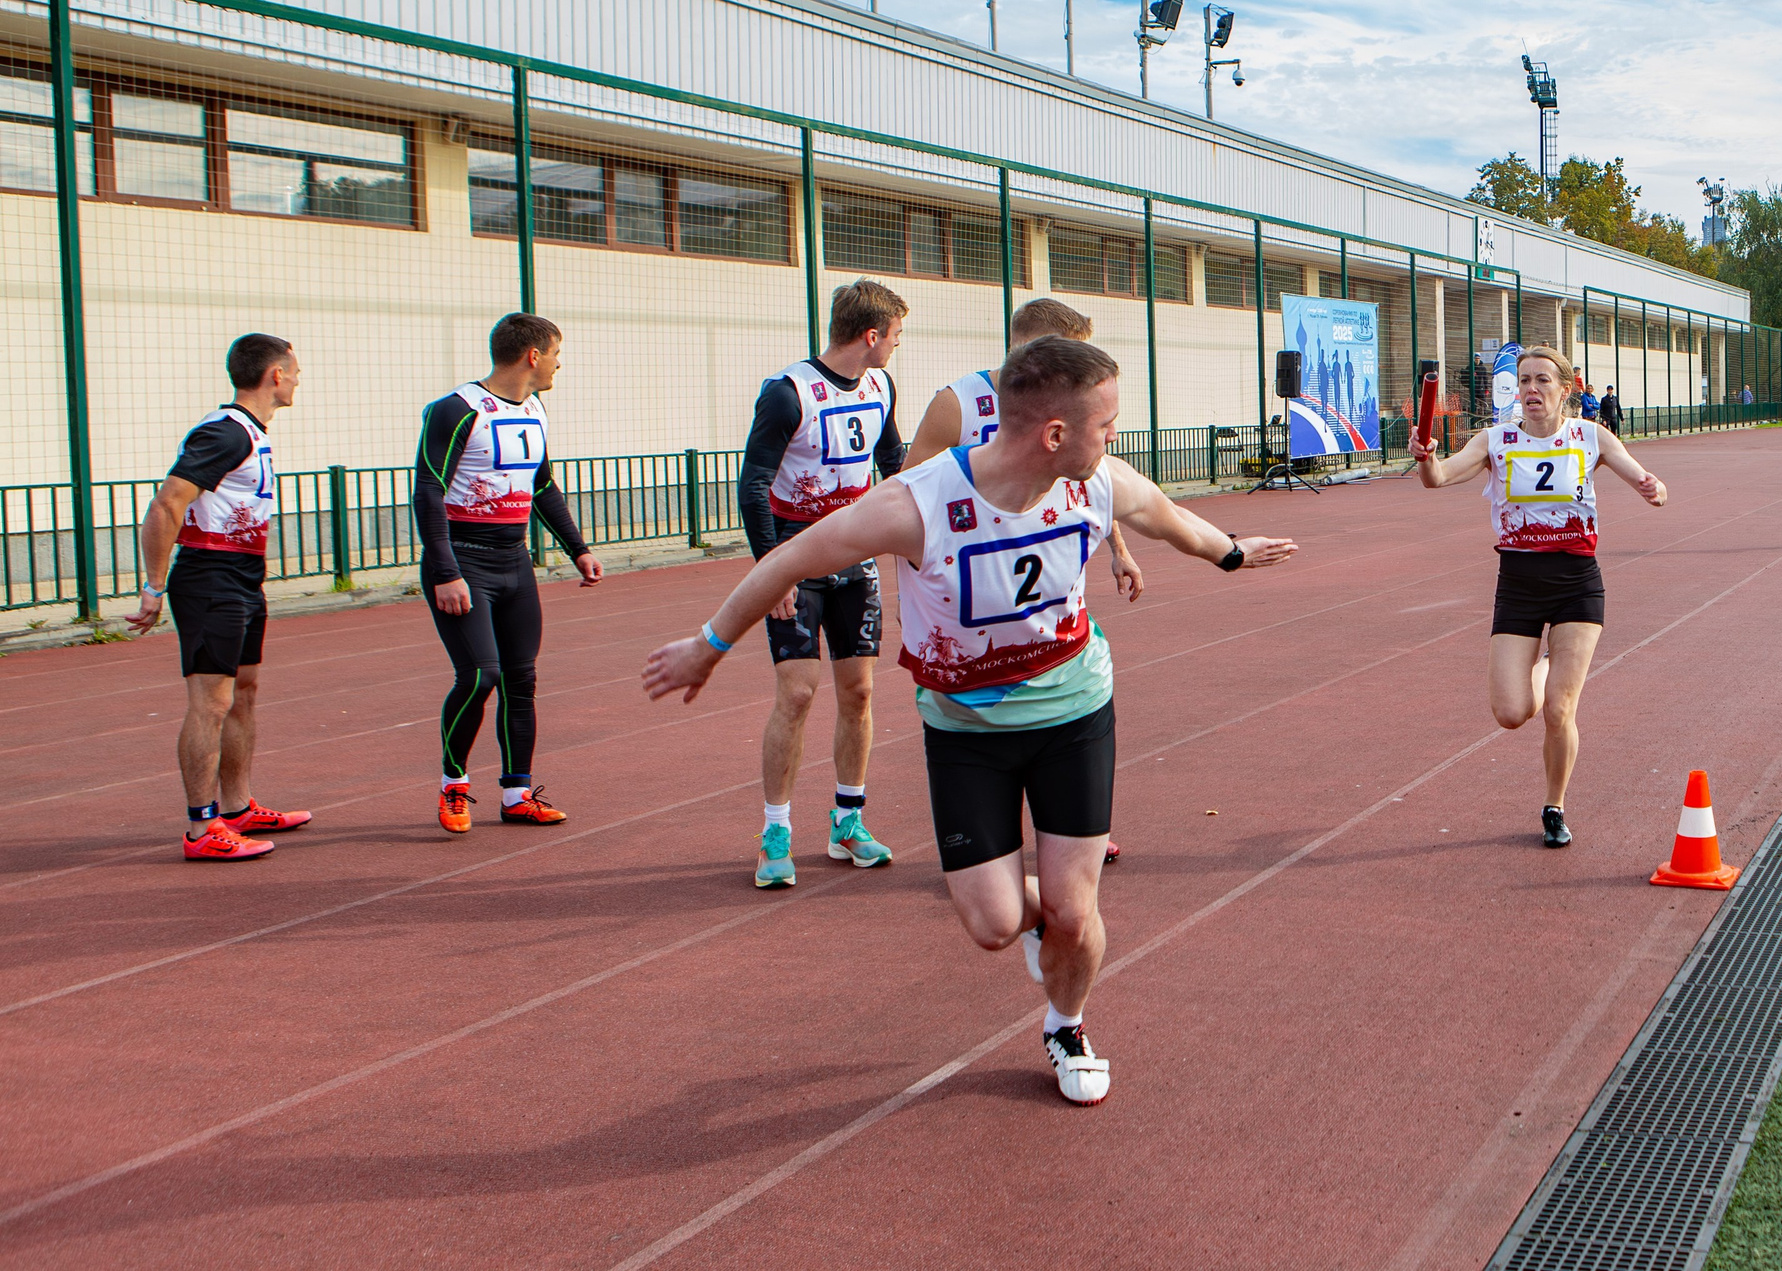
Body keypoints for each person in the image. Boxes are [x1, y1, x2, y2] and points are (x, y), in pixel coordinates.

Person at [643, 337, 1298, 1106]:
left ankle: (1067, 1022)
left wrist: (1230, 553)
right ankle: (1038, 920)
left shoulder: (1095, 484)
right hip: (966, 733)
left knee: (1076, 910)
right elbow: (788, 561)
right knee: (993, 922)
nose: (1117, 436)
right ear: (1054, 432)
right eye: (1108, 422)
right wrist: (707, 646)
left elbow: (1166, 516)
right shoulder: (917, 504)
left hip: (1072, 713)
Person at [909, 295, 1143, 867]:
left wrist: (1117, 547)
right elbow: (909, 492)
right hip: (973, 584)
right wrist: (916, 592)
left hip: (1046, 572)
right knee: (987, 711)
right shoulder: (958, 402)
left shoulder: (1072, 405)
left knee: (1070, 688)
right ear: (1040, 348)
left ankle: (1074, 829)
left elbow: (1092, 482)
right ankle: (995, 841)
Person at [1408, 345, 1667, 846]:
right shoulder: (1495, 440)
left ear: (1565, 390)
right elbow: (1436, 480)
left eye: (1542, 380)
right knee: (1510, 713)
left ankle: (1554, 805)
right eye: (1524, 380)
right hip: (1519, 584)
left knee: (1558, 710)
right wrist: (1428, 457)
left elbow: (1647, 480)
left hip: (1576, 584)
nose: (1531, 389)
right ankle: (1545, 661)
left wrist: (1654, 488)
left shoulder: (1591, 437)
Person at [738, 279, 909, 889]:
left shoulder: (882, 386)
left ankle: (847, 821)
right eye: (894, 336)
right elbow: (753, 483)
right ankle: (776, 831)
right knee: (798, 694)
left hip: (855, 558)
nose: (895, 347)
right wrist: (771, 571)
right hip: (796, 558)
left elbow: (895, 465)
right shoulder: (788, 395)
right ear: (871, 335)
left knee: (859, 692)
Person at [125, 334, 314, 860]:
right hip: (209, 580)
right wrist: (153, 587)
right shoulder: (225, 433)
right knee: (211, 702)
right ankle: (200, 828)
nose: (299, 379)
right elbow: (167, 504)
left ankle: (236, 807)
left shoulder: (252, 433)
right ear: (275, 375)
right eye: (295, 371)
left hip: (243, 578)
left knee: (244, 691)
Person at [414, 313, 603, 834]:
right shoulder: (456, 410)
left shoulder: (536, 409)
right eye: (557, 354)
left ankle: (517, 793)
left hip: (513, 561)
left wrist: (577, 549)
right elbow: (428, 490)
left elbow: (542, 486)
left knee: (521, 679)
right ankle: (454, 785)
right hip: (461, 560)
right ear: (533, 356)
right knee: (481, 675)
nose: (561, 364)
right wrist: (446, 571)